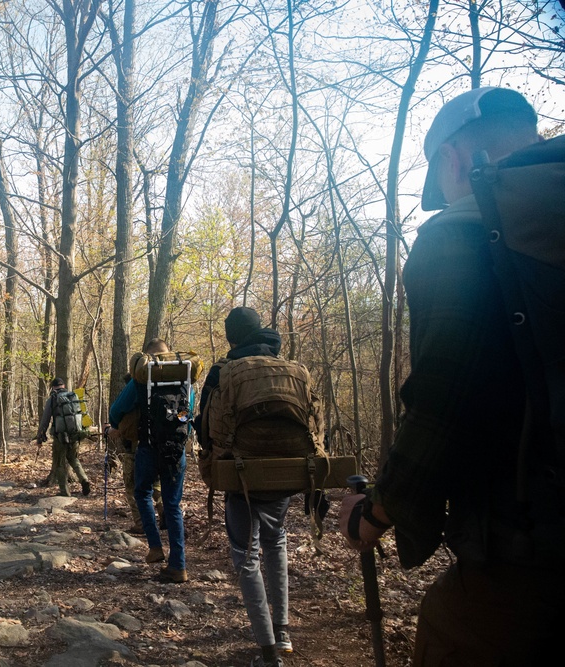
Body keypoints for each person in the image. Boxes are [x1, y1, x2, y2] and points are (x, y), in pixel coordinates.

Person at [340, 87, 564, 665]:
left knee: (449, 632)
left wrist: (377, 513)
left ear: (452, 159)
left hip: (531, 548)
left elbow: (445, 401)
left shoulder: (460, 233)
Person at [198, 307, 321, 667]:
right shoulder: (292, 370)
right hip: (288, 474)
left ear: (232, 338)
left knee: (246, 556)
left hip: (242, 476)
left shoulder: (224, 371)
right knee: (276, 540)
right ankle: (282, 634)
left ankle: (268, 651)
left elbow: (205, 425)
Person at [108, 338, 192, 583]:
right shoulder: (184, 378)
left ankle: (155, 547)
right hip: (176, 450)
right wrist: (174, 426)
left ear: (147, 357)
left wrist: (118, 426)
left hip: (148, 448)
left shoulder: (141, 380)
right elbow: (188, 412)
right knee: (173, 505)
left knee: (142, 492)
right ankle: (178, 566)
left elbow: (116, 410)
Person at [104, 373, 163, 535]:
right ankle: (165, 514)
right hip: (160, 447)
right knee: (156, 484)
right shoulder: (160, 392)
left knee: (133, 487)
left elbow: (115, 415)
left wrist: (111, 429)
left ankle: (141, 523)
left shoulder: (130, 402)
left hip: (134, 449)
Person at [34, 378, 91, 498]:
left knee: (59, 463)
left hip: (60, 437)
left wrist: (40, 436)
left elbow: (45, 419)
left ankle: (64, 492)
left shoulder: (53, 399)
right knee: (73, 459)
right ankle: (84, 479)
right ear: (63, 385)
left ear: (53, 387)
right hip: (75, 434)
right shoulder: (73, 396)